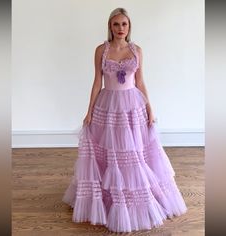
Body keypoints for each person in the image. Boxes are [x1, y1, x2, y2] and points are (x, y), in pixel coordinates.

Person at [62, 7, 187, 233]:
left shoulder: (136, 50)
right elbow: (96, 81)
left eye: (124, 24)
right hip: (107, 104)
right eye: (116, 24)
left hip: (132, 106)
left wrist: (150, 109)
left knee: (134, 151)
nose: (120, 28)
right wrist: (89, 110)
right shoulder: (102, 50)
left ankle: (138, 197)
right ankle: (108, 199)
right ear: (110, 26)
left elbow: (140, 82)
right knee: (109, 152)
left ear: (129, 27)